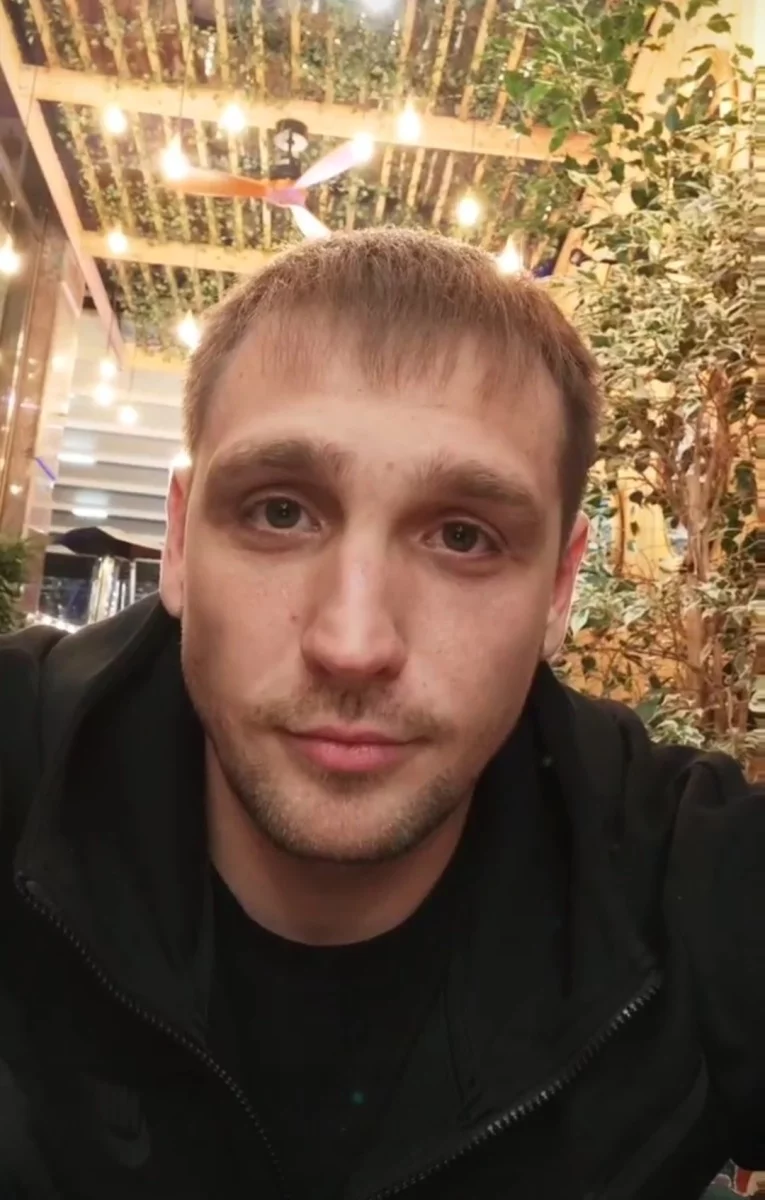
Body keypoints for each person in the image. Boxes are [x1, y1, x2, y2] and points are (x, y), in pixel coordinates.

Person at [0, 228, 762, 1200]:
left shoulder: (680, 874)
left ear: (559, 588)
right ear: (179, 544)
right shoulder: (21, 760)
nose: (353, 643)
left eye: (463, 536)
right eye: (280, 512)